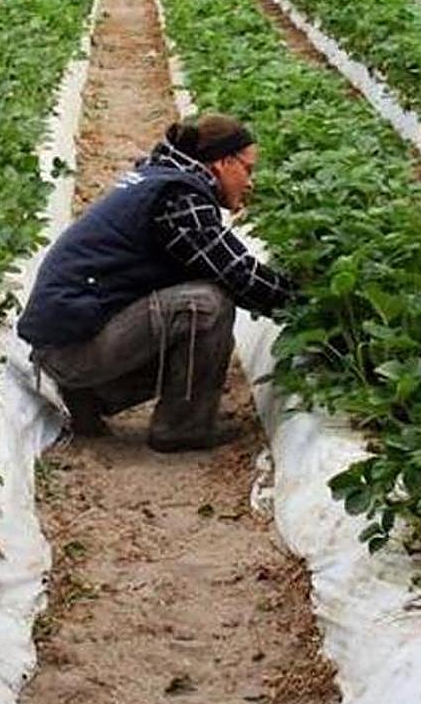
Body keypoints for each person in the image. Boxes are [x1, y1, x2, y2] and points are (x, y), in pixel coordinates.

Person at [18, 115, 295, 452]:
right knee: (206, 306)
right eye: (248, 170)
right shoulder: (179, 198)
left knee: (202, 312)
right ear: (223, 163)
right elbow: (236, 273)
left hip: (69, 340)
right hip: (72, 350)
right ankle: (182, 429)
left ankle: (91, 396)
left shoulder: (160, 178)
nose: (251, 183)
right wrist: (305, 307)